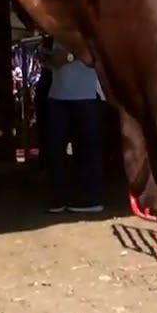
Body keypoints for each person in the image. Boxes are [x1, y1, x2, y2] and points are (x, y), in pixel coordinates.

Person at [40, 37, 105, 213]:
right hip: (58, 92)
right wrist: (48, 57)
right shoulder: (56, 23)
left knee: (87, 148)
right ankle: (58, 197)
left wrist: (69, 56)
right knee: (54, 149)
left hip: (87, 93)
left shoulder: (85, 18)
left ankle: (91, 198)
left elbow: (96, 46)